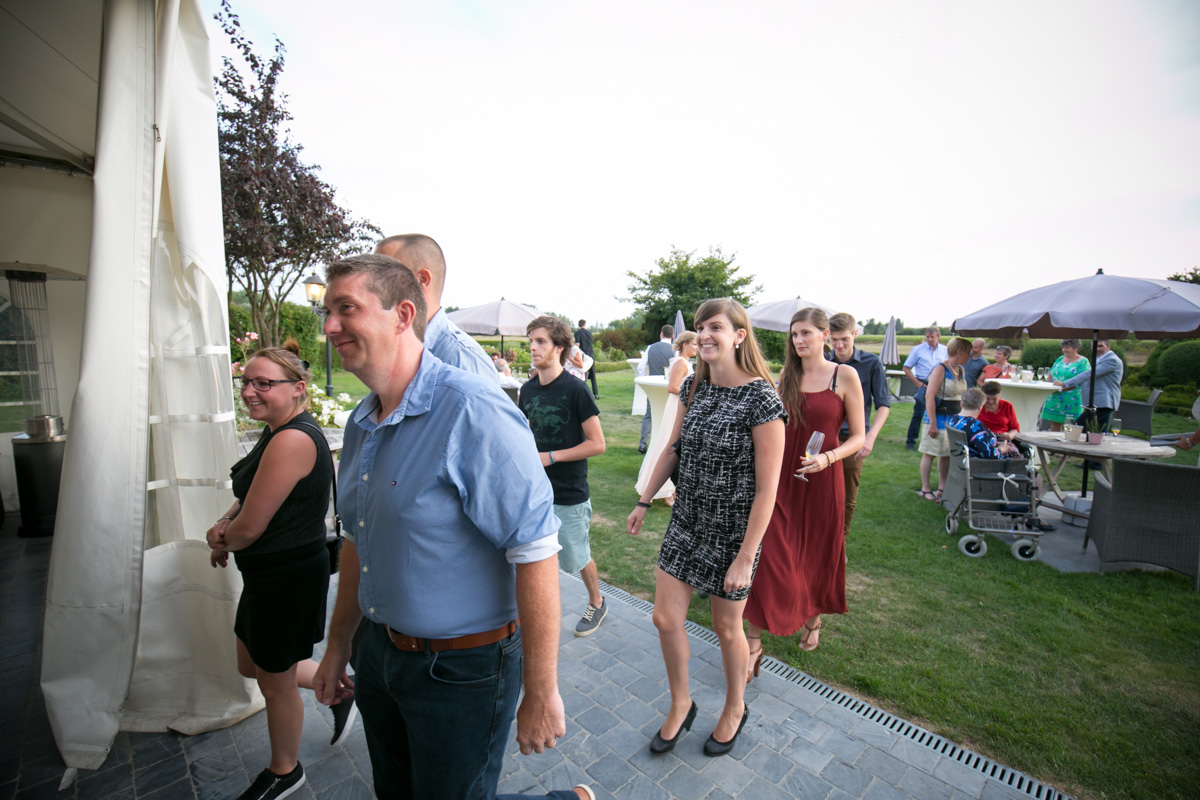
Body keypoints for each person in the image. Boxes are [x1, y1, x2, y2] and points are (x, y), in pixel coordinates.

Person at [312, 254, 591, 800]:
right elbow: (357, 539)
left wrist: (540, 690)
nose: (329, 327)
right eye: (327, 312)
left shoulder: (471, 409)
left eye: (347, 308)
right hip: (379, 656)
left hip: (461, 671)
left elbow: (535, 550)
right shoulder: (362, 420)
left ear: (402, 314)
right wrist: (339, 644)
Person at [627, 299, 786, 759]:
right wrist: (644, 499)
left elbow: (767, 491)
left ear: (739, 335)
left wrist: (745, 557)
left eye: (716, 326)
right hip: (687, 521)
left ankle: (735, 707)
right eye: (700, 327)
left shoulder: (762, 399)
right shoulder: (695, 386)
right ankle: (682, 703)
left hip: (733, 534)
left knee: (726, 627)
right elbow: (673, 448)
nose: (705, 334)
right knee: (664, 618)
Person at [206, 341, 341, 800]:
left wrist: (223, 538)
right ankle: (342, 688)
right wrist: (226, 522)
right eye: (246, 381)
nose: (249, 392)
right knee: (251, 664)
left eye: (264, 383)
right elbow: (250, 496)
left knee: (273, 681)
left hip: (287, 577)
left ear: (298, 388)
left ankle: (285, 771)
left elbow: (250, 528)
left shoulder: (292, 440)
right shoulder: (277, 429)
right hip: (267, 574)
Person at [745, 308, 864, 664]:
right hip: (781, 478)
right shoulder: (786, 375)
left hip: (823, 481)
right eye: (794, 334)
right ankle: (753, 642)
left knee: (816, 554)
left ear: (825, 335)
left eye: (806, 333)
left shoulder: (844, 375)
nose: (798, 340)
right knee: (768, 552)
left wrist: (829, 458)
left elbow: (858, 436)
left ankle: (813, 619)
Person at [520, 316, 608, 637]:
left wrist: (551, 456)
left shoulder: (576, 390)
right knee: (534, 555)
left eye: (541, 341)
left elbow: (597, 444)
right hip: (534, 491)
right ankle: (538, 610)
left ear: (559, 347)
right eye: (531, 341)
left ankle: (597, 601)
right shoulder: (527, 390)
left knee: (576, 557)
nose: (533, 347)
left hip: (568, 491)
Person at [374, 233, 497, 381]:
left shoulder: (461, 360)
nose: (372, 284)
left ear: (422, 279)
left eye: (382, 275)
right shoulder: (402, 348)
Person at [826, 313, 889, 537]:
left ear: (855, 334)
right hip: (823, 437)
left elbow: (883, 405)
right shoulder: (823, 362)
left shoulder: (871, 363)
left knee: (847, 495)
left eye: (844, 339)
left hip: (853, 438)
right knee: (820, 492)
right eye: (834, 340)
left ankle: (840, 541)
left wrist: (869, 437)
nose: (839, 345)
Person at [635, 331, 697, 508]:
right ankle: (667, 492)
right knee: (670, 445)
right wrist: (692, 396)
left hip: (679, 404)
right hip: (677, 405)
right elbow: (672, 387)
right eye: (694, 344)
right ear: (685, 345)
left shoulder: (682, 361)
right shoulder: (681, 362)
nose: (697, 348)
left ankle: (671, 490)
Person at [916, 337, 971, 501]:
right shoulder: (940, 369)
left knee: (946, 453)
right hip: (938, 417)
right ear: (959, 352)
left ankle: (942, 487)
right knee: (930, 452)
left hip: (953, 419)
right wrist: (932, 423)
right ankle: (925, 489)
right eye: (968, 353)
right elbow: (929, 396)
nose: (970, 356)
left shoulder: (961, 370)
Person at [1059, 339, 1123, 431]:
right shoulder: (1101, 358)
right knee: (1098, 432)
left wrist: (1064, 384)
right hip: (1099, 403)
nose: (1097, 349)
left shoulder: (1112, 360)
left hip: (1104, 402)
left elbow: (1090, 374)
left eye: (1100, 346)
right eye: (1094, 346)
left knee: (1077, 428)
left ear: (1108, 347)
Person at [903, 326, 948, 449]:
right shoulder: (917, 350)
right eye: (927, 337)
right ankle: (910, 441)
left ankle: (936, 439)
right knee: (918, 413)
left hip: (939, 384)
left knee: (938, 412)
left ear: (938, 337)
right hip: (923, 383)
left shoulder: (945, 350)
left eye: (932, 337)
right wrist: (917, 383)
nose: (929, 339)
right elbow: (906, 367)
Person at [949, 388, 1019, 459]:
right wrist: (1001, 449)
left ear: (961, 404)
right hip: (981, 463)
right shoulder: (975, 426)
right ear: (979, 407)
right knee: (1015, 453)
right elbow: (991, 455)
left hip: (962, 460)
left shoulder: (954, 419)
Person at [639, 325, 676, 453]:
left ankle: (643, 444)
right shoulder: (676, 350)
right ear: (672, 336)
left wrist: (644, 380)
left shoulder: (650, 348)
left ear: (661, 334)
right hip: (670, 387)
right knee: (669, 416)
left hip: (654, 386)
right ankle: (666, 444)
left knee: (649, 415)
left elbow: (641, 367)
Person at [1038, 338, 1089, 432]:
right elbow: (1051, 373)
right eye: (1063, 347)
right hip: (1054, 396)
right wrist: (1049, 387)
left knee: (1071, 426)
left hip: (1071, 398)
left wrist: (1062, 388)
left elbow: (1081, 380)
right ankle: (1053, 441)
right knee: (1055, 423)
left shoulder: (1083, 362)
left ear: (1076, 348)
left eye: (1067, 348)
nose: (1064, 350)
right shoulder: (1060, 359)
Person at [979, 381, 1022, 445]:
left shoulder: (1007, 406)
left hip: (1001, 439)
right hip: (981, 439)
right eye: (987, 399)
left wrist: (1009, 436)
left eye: (994, 399)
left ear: (999, 395)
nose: (991, 402)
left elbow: (1015, 429)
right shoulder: (977, 405)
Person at [574, 319, 599, 399]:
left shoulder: (577, 333)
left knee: (582, 374)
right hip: (591, 355)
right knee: (593, 375)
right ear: (584, 324)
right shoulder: (589, 333)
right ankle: (596, 393)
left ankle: (582, 393)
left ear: (579, 325)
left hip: (583, 356)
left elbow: (577, 345)